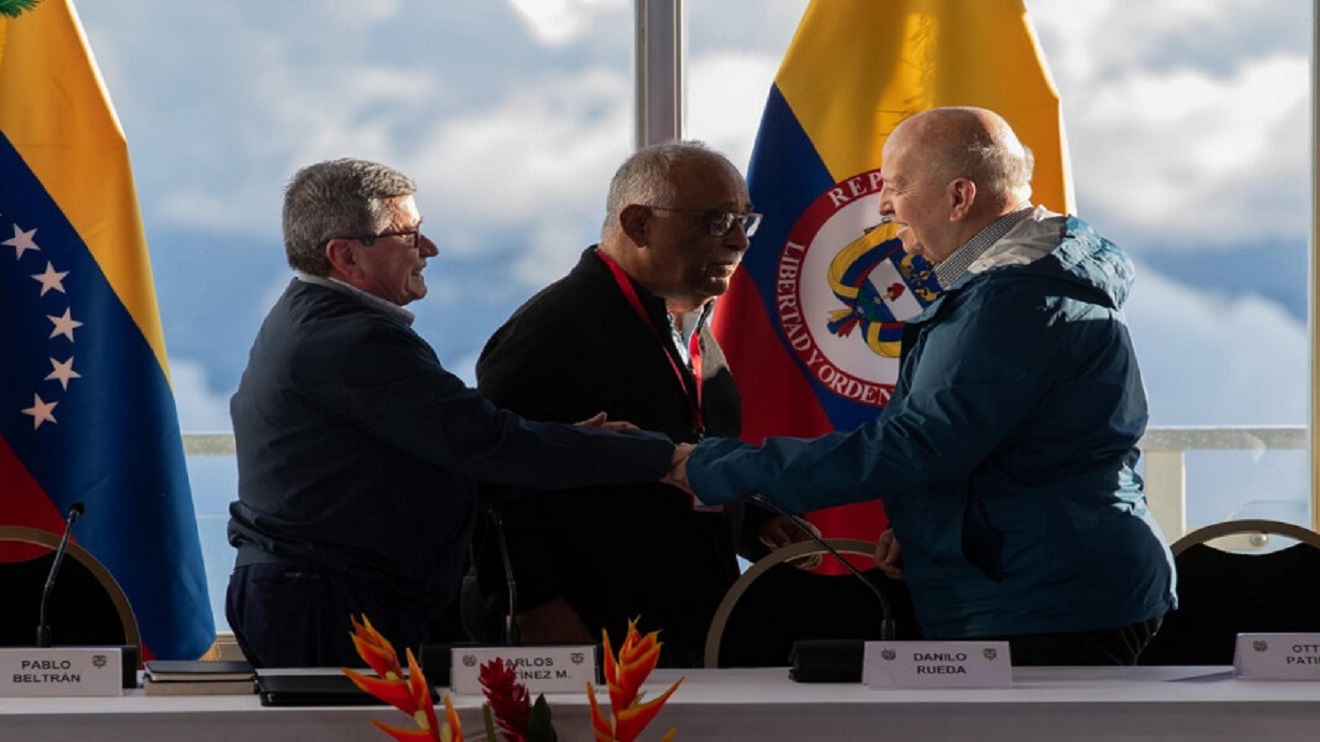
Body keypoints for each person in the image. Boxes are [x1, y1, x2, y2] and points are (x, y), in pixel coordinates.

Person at [667, 107, 1176, 665]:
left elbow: (919, 446)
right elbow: (997, 445)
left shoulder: (1014, 300)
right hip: (1041, 583)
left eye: (896, 186)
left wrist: (711, 468)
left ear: (960, 197)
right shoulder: (1021, 281)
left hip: (1044, 600)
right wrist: (924, 522)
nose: (883, 205)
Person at [226, 158, 680, 668]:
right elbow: (484, 442)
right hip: (332, 603)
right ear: (345, 256)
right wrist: (657, 457)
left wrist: (571, 446)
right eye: (409, 234)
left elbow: (443, 462)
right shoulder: (354, 341)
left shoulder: (313, 320)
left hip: (321, 593)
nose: (430, 249)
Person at [465, 141, 814, 667]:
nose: (740, 241)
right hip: (586, 629)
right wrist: (534, 601)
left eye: (746, 221)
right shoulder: (551, 332)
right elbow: (495, 484)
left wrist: (755, 522)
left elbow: (683, 462)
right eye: (718, 221)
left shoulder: (691, 333)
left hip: (692, 626)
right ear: (638, 224)